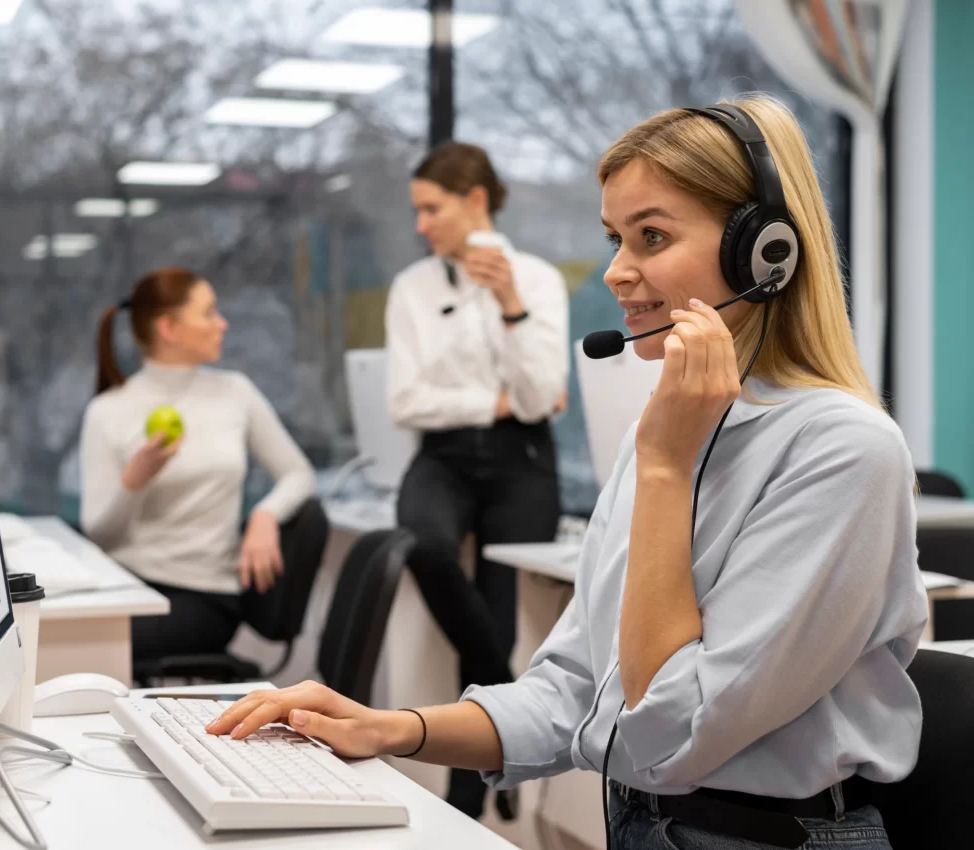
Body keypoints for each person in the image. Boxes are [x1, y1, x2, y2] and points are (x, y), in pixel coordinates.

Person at [207, 97, 928, 850]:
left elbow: (668, 734)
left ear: (764, 253)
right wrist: (389, 727)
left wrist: (663, 472)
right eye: (615, 238)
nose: (616, 272)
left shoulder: (840, 452)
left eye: (651, 236)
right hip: (650, 825)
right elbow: (572, 693)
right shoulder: (670, 436)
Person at [385, 142, 569, 817]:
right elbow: (406, 402)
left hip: (522, 462)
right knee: (423, 543)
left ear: (476, 202)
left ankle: (466, 797)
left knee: (496, 606)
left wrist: (510, 303)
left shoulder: (538, 280)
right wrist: (488, 402)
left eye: (431, 208)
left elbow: (541, 393)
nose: (421, 224)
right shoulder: (413, 288)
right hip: (442, 457)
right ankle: (504, 707)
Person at [80, 267, 324, 667]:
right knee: (58, 636)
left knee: (83, 649)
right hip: (126, 586)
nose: (222, 323)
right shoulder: (107, 410)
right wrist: (134, 481)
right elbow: (101, 536)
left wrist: (265, 515)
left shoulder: (235, 392)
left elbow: (299, 474)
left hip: (205, 597)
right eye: (209, 313)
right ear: (170, 329)